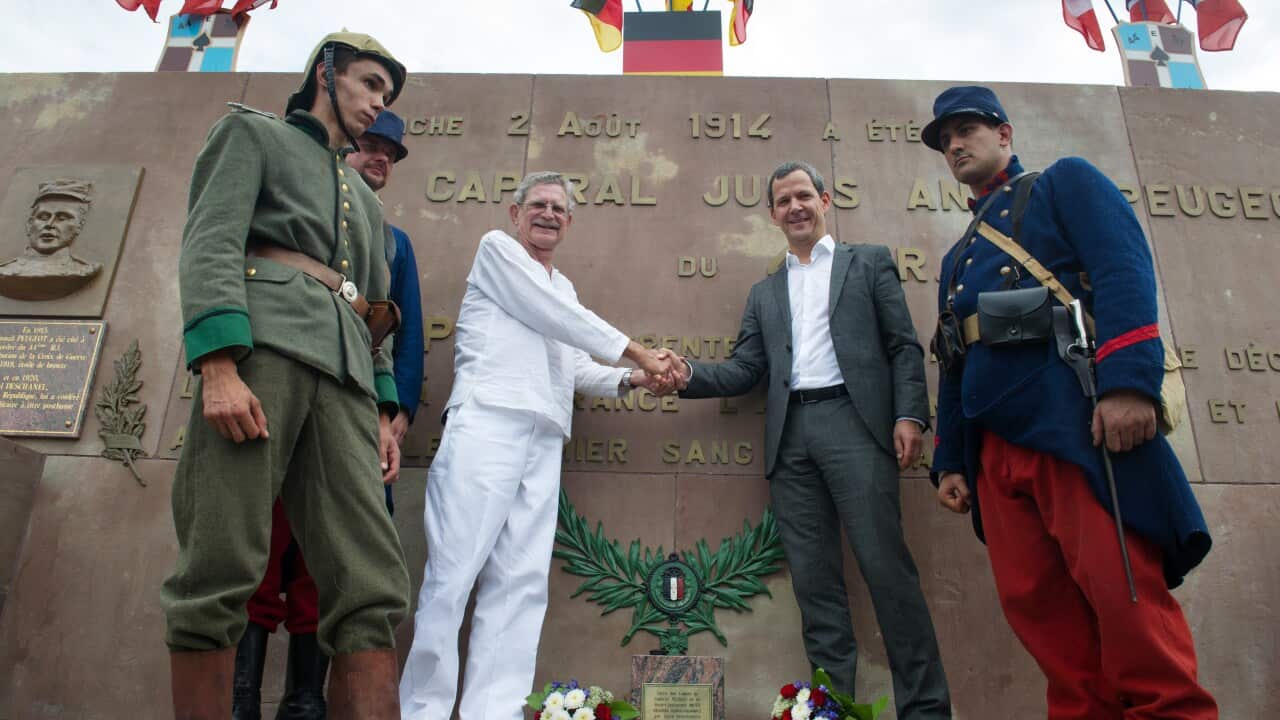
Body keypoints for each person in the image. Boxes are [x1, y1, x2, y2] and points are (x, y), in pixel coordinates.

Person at [923, 85, 1216, 718]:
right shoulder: (955, 259)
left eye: (966, 129)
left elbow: (1122, 271)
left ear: (1004, 134)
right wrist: (949, 460)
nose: (954, 144)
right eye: (945, 139)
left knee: (1123, 599)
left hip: (1071, 424)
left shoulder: (1063, 185)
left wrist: (1128, 385)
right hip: (994, 450)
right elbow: (953, 357)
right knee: (1043, 618)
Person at [160, 32, 412, 720]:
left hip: (346, 385)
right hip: (261, 356)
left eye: (385, 96)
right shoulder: (251, 135)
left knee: (369, 578)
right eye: (367, 85)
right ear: (325, 73)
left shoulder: (368, 202)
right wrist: (217, 365)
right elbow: (211, 239)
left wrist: (383, 413)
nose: (376, 104)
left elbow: (375, 312)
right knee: (222, 556)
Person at [671, 161, 951, 719]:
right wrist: (686, 376)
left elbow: (902, 346)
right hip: (791, 440)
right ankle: (831, 710)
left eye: (804, 195)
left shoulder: (867, 263)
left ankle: (924, 710)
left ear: (824, 199)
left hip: (856, 426)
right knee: (816, 588)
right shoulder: (765, 292)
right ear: (773, 215)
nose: (795, 207)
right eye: (783, 201)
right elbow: (746, 369)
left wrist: (911, 416)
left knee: (887, 573)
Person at [398, 171, 682, 720]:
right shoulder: (497, 251)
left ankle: (494, 711)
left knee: (521, 583)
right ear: (515, 212)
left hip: (544, 435)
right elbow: (561, 320)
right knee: (452, 576)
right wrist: (641, 354)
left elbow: (574, 365)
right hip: (488, 423)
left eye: (558, 208)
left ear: (570, 222)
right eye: (538, 205)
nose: (548, 214)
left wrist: (631, 380)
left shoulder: (564, 288)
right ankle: (423, 711)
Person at [229, 109, 424, 720]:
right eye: (369, 146)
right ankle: (239, 703)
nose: (379, 160)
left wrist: (395, 411)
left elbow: (402, 330)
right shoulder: (280, 196)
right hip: (272, 389)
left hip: (347, 404)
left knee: (330, 562)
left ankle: (306, 702)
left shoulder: (394, 241)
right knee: (251, 547)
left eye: (390, 155)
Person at [0, 178, 102, 301]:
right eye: (43, 217)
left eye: (62, 218)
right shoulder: (5, 272)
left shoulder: (84, 270)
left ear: (78, 227)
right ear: (29, 225)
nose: (49, 224)